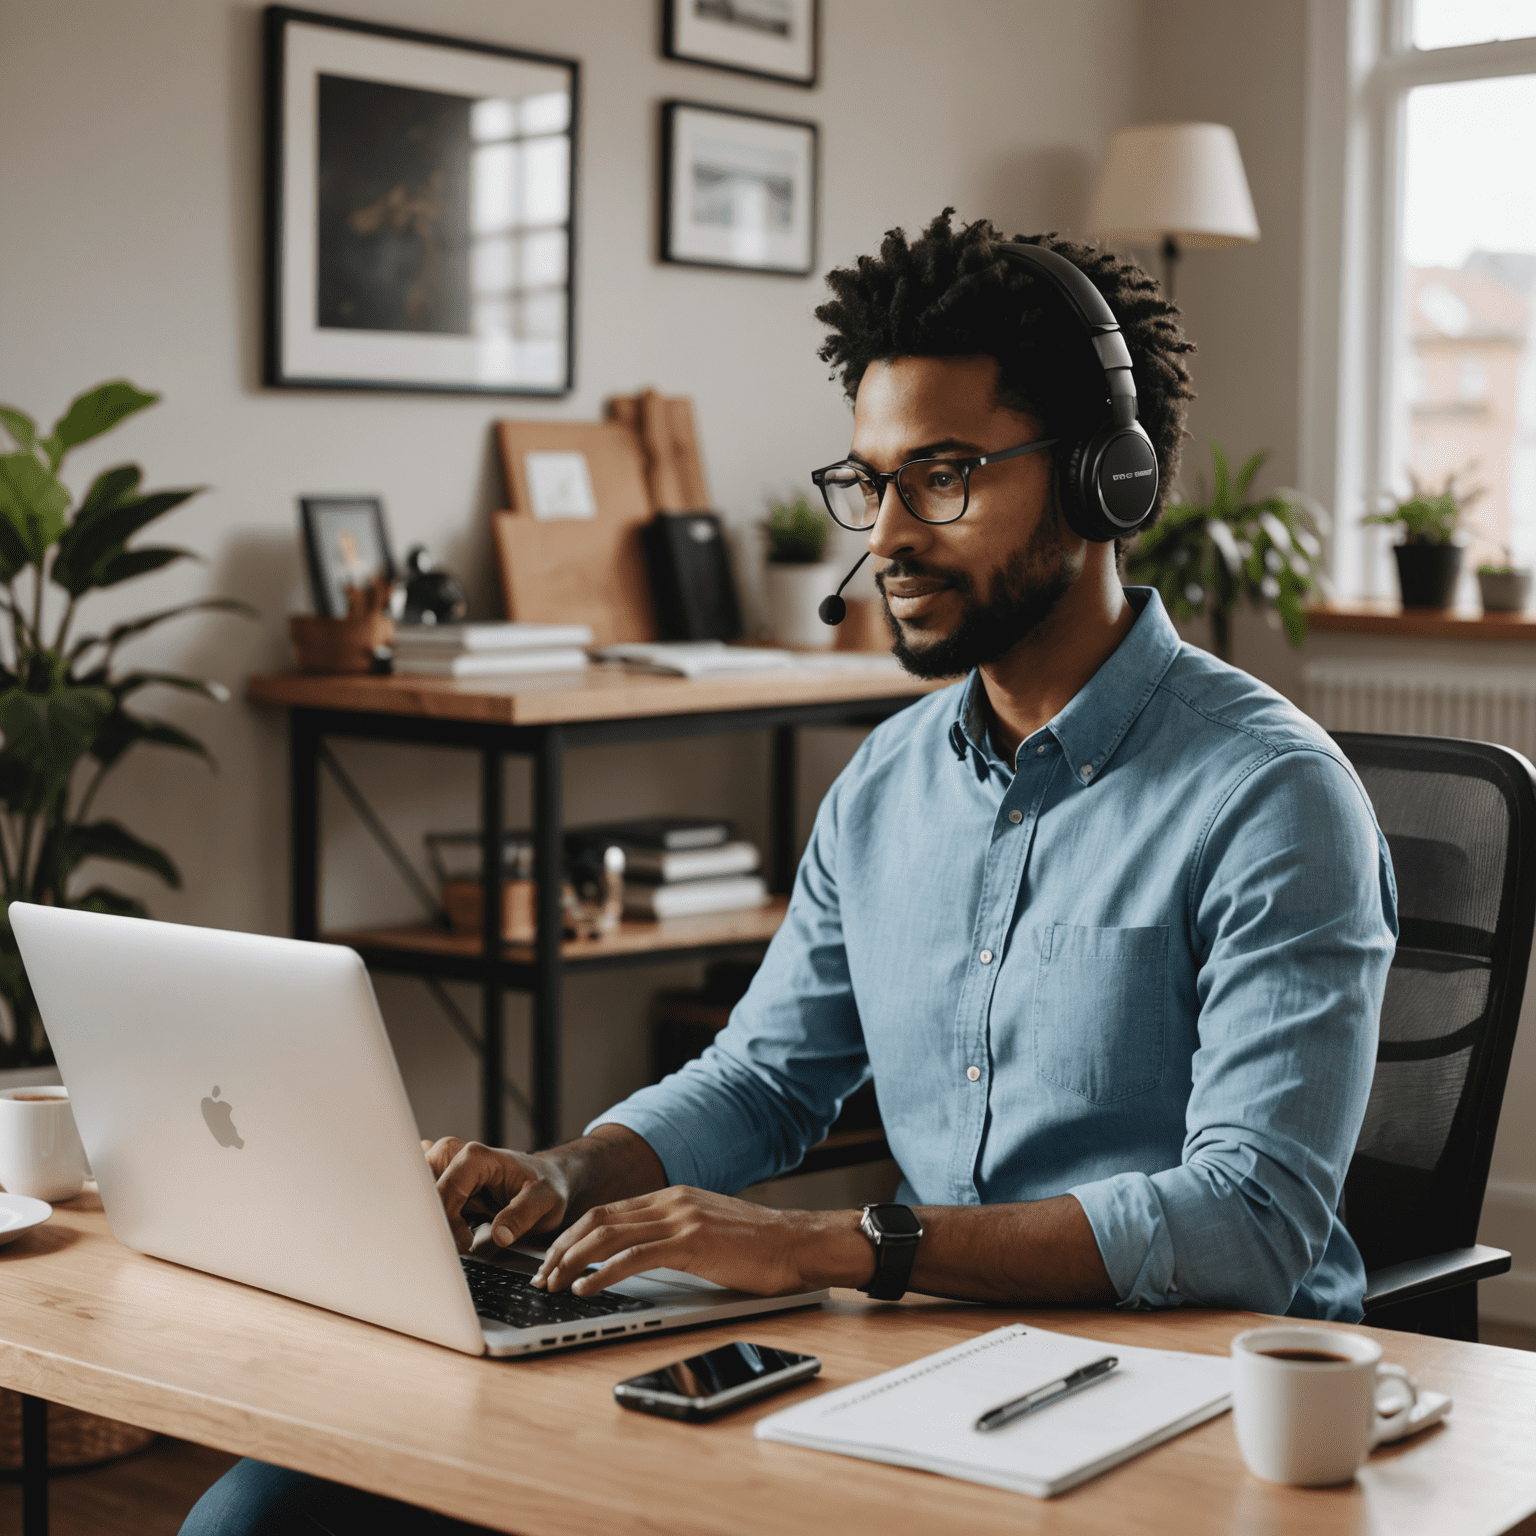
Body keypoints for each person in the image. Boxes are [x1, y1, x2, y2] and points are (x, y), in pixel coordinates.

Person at [182, 212, 1395, 1534]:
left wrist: (833, 1244)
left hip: (1192, 1412)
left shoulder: (1273, 797)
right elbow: (766, 1078)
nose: (886, 535)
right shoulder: (887, 785)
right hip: (932, 1369)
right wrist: (568, 1173)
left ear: (1108, 480)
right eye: (870, 482)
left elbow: (1248, 1222)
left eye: (942, 476)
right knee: (271, 1513)